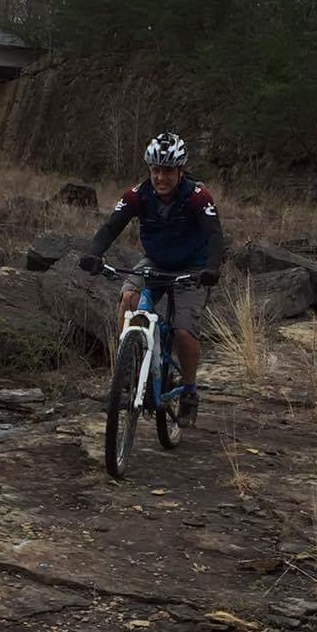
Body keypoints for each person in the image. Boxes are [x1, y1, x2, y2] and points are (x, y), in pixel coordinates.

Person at [79, 132, 224, 426]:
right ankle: (129, 371)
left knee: (184, 332)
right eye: (156, 170)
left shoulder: (197, 196)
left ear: (180, 171)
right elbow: (110, 227)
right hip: (156, 262)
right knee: (128, 298)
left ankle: (190, 392)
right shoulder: (137, 195)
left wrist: (211, 267)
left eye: (168, 171)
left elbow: (214, 235)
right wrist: (94, 253)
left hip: (193, 268)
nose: (161, 177)